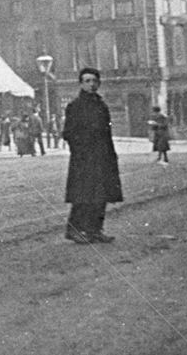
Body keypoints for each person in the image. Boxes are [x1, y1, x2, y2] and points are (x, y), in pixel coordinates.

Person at [62, 67, 123, 244]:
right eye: (87, 81)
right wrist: (81, 150)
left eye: (94, 81)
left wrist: (111, 154)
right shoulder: (75, 106)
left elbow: (107, 133)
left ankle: (95, 230)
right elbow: (68, 133)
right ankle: (74, 230)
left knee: (101, 195)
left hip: (102, 156)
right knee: (83, 195)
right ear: (81, 84)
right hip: (84, 158)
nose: (91, 84)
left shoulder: (101, 105)